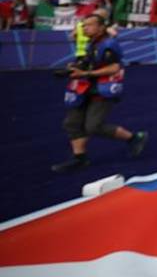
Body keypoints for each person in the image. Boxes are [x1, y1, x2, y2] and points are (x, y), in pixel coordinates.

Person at [51, 12, 147, 172]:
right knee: (72, 123)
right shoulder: (92, 44)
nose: (85, 28)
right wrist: (74, 67)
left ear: (101, 27)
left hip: (101, 89)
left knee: (93, 126)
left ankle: (134, 138)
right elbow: (89, 62)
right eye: (84, 25)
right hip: (84, 87)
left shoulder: (108, 45)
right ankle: (79, 158)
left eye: (89, 25)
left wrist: (86, 73)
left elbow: (114, 67)